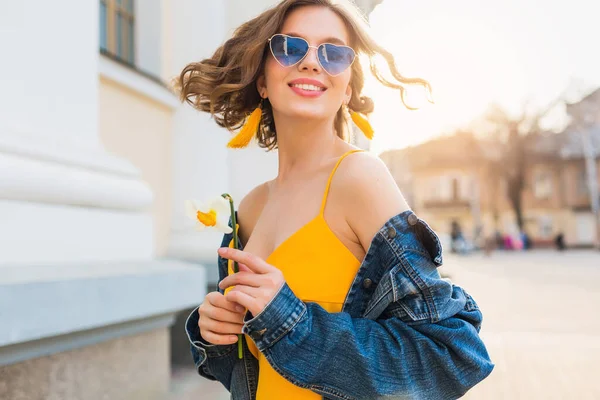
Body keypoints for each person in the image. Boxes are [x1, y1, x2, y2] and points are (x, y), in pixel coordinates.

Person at [179, 1, 493, 399]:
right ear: (262, 79)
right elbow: (260, 371)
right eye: (290, 47)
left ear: (347, 87)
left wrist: (289, 322)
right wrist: (217, 334)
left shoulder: (358, 178)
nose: (311, 62)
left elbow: (449, 352)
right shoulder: (249, 208)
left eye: (334, 52)